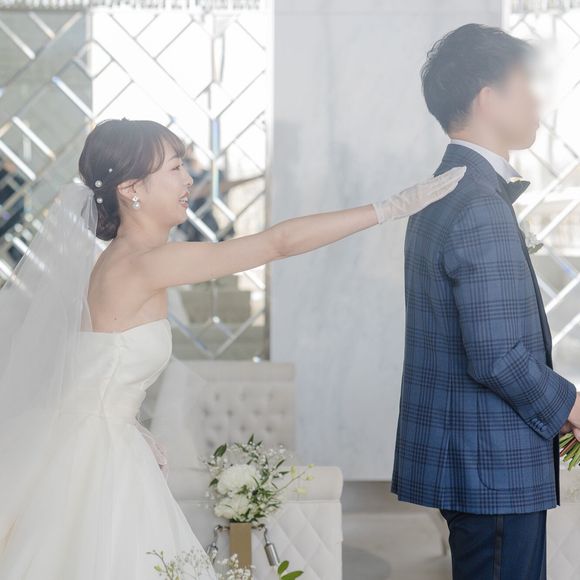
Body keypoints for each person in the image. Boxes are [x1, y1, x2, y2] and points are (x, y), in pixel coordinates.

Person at [0, 117, 465, 579]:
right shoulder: (144, 263)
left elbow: (90, 372)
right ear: (131, 189)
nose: (189, 180)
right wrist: (387, 209)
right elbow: (278, 244)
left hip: (98, 444)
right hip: (99, 461)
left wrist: (131, 426)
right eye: (174, 168)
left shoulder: (119, 261)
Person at [391, 23, 580, 580]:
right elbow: (496, 355)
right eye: (526, 85)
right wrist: (570, 405)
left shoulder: (446, 188)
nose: (538, 101)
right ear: (487, 98)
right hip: (493, 466)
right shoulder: (478, 204)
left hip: (474, 459)